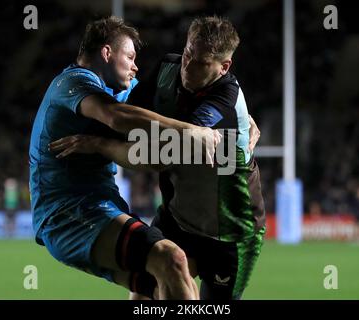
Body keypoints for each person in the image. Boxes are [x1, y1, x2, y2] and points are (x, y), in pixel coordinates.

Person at [50, 16, 266, 300]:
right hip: (178, 217)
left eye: (200, 62)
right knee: (144, 292)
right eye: (188, 53)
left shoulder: (223, 102)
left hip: (231, 231)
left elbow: (157, 156)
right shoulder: (169, 68)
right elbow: (130, 112)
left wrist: (98, 145)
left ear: (224, 68)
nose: (188, 65)